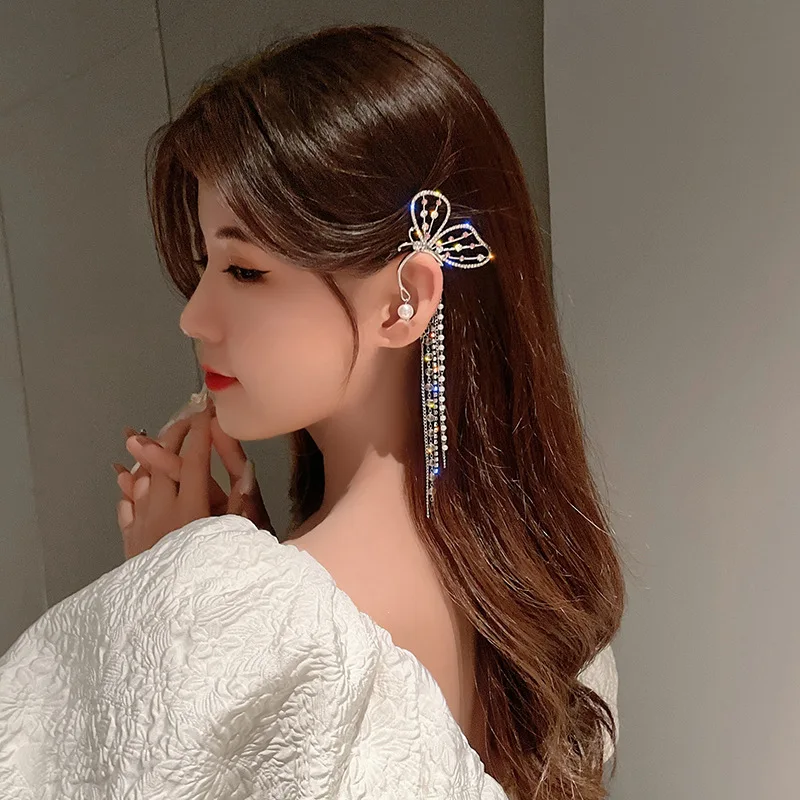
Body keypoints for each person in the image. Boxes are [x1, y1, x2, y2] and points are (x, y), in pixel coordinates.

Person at [0, 23, 625, 800]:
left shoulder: (244, 617)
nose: (195, 316)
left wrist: (166, 610)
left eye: (244, 270)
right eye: (204, 265)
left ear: (404, 302)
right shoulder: (535, 595)